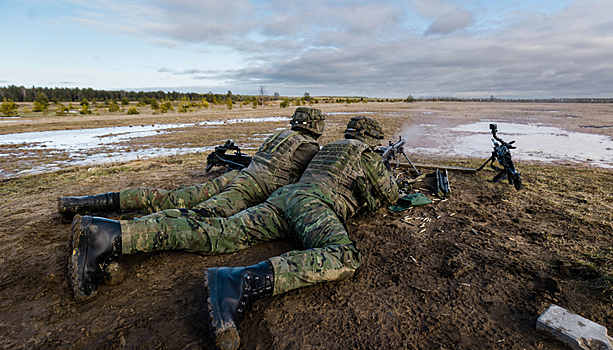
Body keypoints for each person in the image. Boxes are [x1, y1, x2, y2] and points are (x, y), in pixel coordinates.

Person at [68, 116, 398, 350]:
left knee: (222, 231)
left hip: (282, 198)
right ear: (371, 139)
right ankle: (239, 282)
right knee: (344, 256)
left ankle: (112, 234)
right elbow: (391, 196)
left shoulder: (325, 149)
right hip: (310, 204)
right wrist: (387, 167)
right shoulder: (366, 156)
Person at [57, 107, 325, 222]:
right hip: (247, 189)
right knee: (198, 217)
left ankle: (84, 203)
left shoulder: (279, 134)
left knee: (173, 198)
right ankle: (117, 227)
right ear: (316, 127)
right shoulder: (309, 147)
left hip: (236, 177)